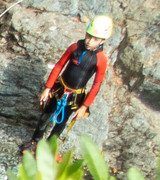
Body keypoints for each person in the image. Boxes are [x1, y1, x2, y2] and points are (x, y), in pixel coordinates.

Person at [20, 15, 112, 156]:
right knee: (46, 113)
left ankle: (50, 147)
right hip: (59, 88)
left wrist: (84, 106)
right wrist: (47, 88)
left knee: (62, 122)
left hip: (75, 95)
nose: (90, 41)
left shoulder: (101, 59)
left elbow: (97, 84)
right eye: (89, 36)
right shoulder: (75, 47)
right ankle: (35, 141)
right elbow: (59, 66)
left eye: (95, 39)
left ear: (102, 41)